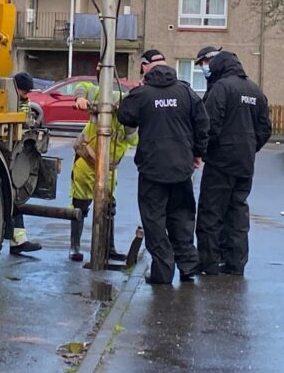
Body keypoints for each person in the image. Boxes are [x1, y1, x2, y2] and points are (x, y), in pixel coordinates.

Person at [117, 49, 210, 284]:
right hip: (181, 168)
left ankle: (163, 272)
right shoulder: (186, 91)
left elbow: (124, 116)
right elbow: (202, 122)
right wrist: (198, 152)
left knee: (154, 221)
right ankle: (188, 265)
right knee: (182, 218)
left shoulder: (143, 94)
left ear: (147, 68)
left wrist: (137, 92)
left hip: (152, 169)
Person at [194, 50, 272, 276]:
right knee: (237, 212)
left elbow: (209, 125)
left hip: (220, 162)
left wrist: (205, 151)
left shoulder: (221, 88)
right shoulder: (255, 91)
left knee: (211, 212)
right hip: (245, 162)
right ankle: (235, 263)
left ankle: (208, 262)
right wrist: (249, 146)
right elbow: (265, 129)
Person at [70, 81, 138, 262]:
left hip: (109, 168)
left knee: (109, 207)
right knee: (80, 205)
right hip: (87, 161)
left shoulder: (132, 118)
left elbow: (133, 141)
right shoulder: (107, 96)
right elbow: (83, 85)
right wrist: (81, 98)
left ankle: (109, 248)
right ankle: (74, 247)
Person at [9, 71, 42, 254]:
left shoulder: (23, 102)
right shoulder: (8, 100)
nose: (27, 96)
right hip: (10, 151)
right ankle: (17, 241)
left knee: (16, 197)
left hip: (17, 152)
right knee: (14, 198)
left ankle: (18, 241)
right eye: (24, 92)